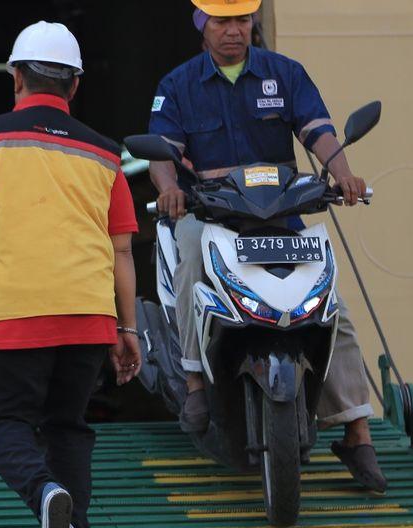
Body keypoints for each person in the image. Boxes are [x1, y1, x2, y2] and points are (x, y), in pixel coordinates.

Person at [147, 1, 387, 492]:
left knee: (329, 305)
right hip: (211, 220)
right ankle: (195, 380)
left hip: (280, 219)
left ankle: (358, 434)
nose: (233, 31)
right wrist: (169, 188)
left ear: (253, 22)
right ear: (202, 25)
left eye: (241, 20)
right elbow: (162, 153)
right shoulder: (177, 86)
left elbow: (318, 130)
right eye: (221, 21)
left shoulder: (286, 74)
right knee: (188, 251)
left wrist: (342, 175)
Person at [0, 21, 141, 528]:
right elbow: (121, 250)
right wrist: (128, 329)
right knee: (67, 426)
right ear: (75, 85)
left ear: (16, 76)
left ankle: (46, 493)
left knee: (1, 424)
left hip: (21, 313)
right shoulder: (106, 155)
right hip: (90, 314)